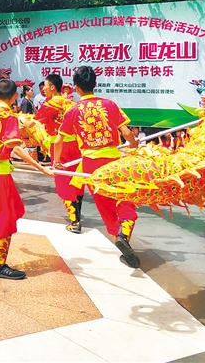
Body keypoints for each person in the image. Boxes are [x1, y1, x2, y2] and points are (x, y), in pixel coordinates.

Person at [54, 66, 140, 268]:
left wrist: (57, 161)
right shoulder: (109, 104)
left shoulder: (73, 110)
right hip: (114, 160)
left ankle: (120, 238)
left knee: (105, 206)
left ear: (76, 88)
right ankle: (124, 232)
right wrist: (134, 143)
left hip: (90, 165)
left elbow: (59, 140)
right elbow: (126, 132)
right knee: (124, 197)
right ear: (95, 84)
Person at [0, 79, 53, 279]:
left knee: (17, 209)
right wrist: (41, 168)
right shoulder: (8, 116)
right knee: (7, 216)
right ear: (14, 96)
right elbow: (16, 148)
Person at [34, 74, 82, 233]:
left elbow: (35, 120)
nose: (44, 89)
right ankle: (77, 214)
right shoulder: (70, 102)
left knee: (62, 179)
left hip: (61, 145)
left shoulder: (52, 103)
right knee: (76, 178)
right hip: (76, 144)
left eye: (45, 87)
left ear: (52, 87)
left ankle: (75, 221)